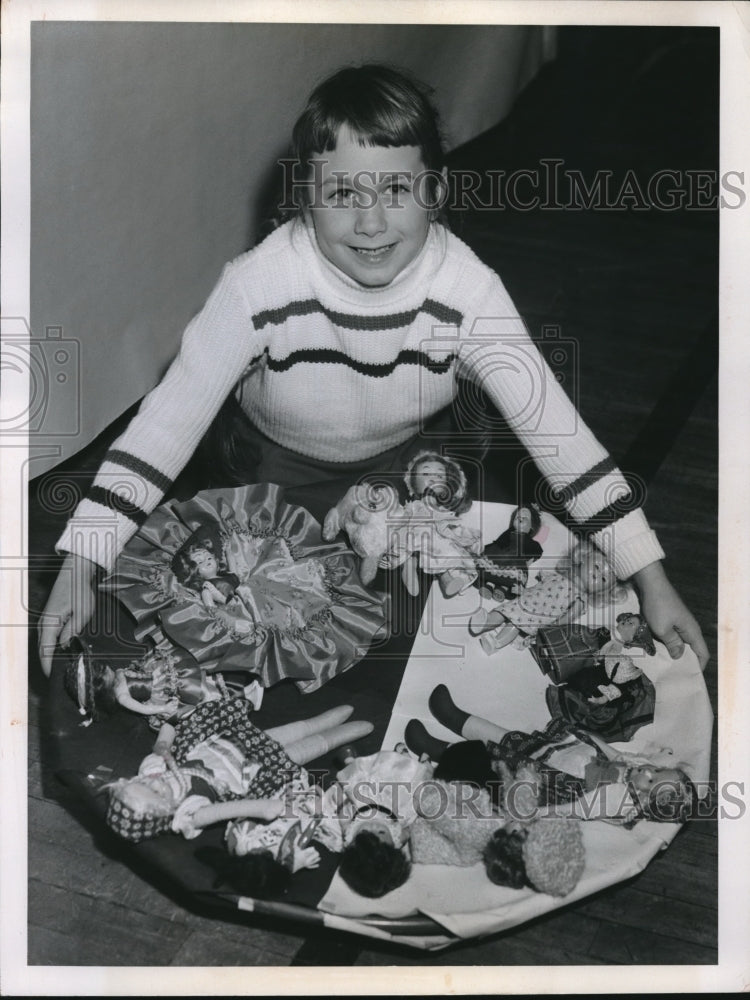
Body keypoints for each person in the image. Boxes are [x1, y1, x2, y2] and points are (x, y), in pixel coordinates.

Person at [39, 63, 708, 674]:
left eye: (396, 188)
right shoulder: (257, 286)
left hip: (399, 472)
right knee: (258, 640)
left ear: (436, 191)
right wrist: (80, 561)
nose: (371, 221)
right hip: (269, 470)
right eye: (342, 193)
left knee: (416, 637)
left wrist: (650, 578)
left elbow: (561, 441)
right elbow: (163, 428)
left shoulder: (468, 294)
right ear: (304, 195)